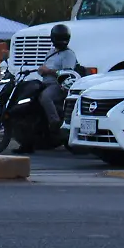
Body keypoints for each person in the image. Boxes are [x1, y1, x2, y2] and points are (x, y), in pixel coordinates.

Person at [26, 23, 77, 154]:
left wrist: (48, 71)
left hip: (58, 85)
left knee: (45, 97)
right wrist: (42, 71)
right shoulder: (51, 52)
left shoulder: (69, 54)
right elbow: (44, 68)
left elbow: (67, 74)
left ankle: (55, 123)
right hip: (44, 83)